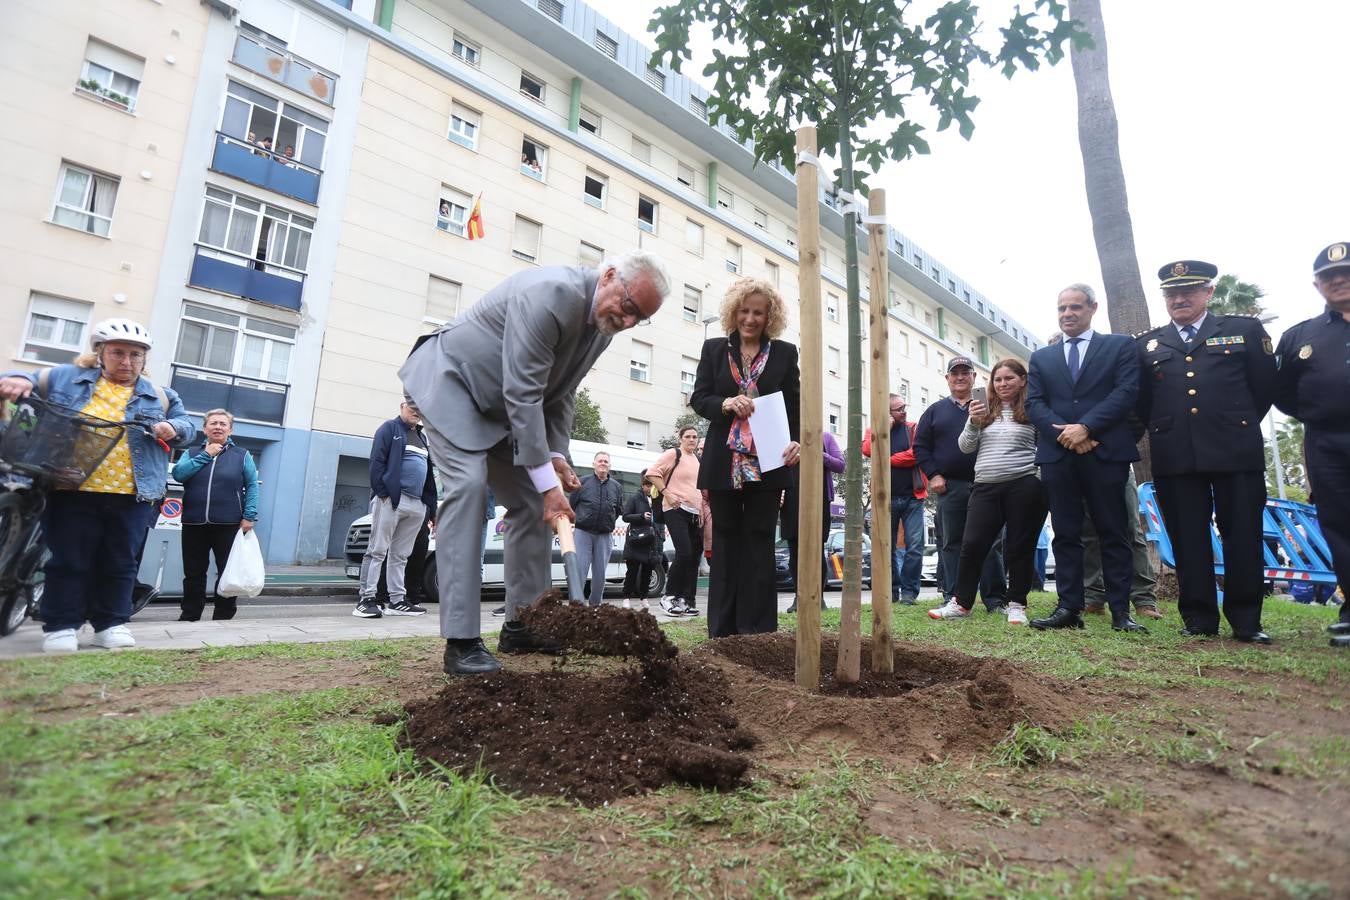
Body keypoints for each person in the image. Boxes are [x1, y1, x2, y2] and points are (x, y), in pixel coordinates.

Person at [400, 251, 670, 674]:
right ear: (611, 276)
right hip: (452, 383)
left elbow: (560, 394)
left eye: (642, 318)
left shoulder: (603, 325)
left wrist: (557, 459)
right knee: (469, 487)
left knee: (530, 502)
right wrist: (549, 485)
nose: (630, 322)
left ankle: (523, 622)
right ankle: (462, 641)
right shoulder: (550, 294)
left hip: (500, 408)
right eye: (631, 307)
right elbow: (524, 394)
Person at [0, 319, 193, 652]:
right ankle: (62, 625)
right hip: (71, 487)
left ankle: (111, 623)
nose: (126, 361)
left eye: (135, 354)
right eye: (118, 352)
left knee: (120, 562)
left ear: (144, 359)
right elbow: (26, 380)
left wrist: (172, 427)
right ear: (100, 352)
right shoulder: (64, 378)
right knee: (69, 559)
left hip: (133, 494)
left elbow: (189, 427)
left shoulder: (160, 395)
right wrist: (16, 378)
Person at [1136, 260, 1277, 643]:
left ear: (1208, 292)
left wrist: (1235, 422)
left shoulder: (1242, 330)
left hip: (1235, 449)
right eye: (1171, 293)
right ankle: (1199, 618)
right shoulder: (1147, 343)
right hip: (1176, 453)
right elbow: (1142, 402)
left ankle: (1247, 620)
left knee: (1244, 533)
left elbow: (1264, 388)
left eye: (1189, 291)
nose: (1179, 298)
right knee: (1187, 537)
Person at [1026, 283, 1144, 632]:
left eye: (1075, 307)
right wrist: (1068, 435)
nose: (1067, 314)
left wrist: (1088, 428)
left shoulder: (1119, 346)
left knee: (1113, 530)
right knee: (1065, 532)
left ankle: (1121, 611)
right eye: (1062, 308)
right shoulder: (1042, 357)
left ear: (1093, 308)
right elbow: (1034, 404)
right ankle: (1068, 608)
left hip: (1105, 452)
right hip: (1058, 455)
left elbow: (1126, 393)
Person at [689, 276, 801, 637]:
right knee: (725, 540)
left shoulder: (785, 353)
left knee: (760, 539)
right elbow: (699, 397)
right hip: (724, 463)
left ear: (770, 317)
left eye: (759, 312)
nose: (750, 319)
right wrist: (724, 403)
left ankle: (760, 630)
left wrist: (797, 442)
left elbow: (795, 406)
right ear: (733, 312)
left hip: (768, 461)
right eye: (744, 311)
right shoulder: (714, 349)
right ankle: (722, 630)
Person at [929, 360, 1047, 625]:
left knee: (1019, 546)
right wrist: (973, 422)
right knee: (972, 545)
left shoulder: (1033, 410)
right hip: (985, 486)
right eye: (998, 379)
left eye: (1009, 378)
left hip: (1023, 485)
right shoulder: (982, 410)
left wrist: (1037, 476)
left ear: (1022, 381)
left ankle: (1016, 604)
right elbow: (965, 447)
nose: (1003, 384)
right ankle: (961, 603)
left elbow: (1046, 444)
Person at [1275, 242, 1350, 648]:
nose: (1338, 280)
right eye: (1328, 276)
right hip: (1327, 440)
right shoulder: (1301, 336)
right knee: (1340, 526)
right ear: (1317, 284)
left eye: (1345, 273)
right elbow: (1283, 391)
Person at [914, 357, 1007, 612]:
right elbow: (920, 447)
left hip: (987, 483)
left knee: (990, 542)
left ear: (974, 377)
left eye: (965, 373)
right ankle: (954, 598)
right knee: (952, 542)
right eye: (954, 373)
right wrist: (933, 475)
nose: (960, 377)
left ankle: (995, 600)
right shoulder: (934, 410)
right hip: (950, 486)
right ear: (947, 379)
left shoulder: (991, 408)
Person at [172, 408, 259, 622]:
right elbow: (179, 475)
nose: (218, 427)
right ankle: (190, 614)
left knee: (227, 572)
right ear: (205, 428)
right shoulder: (192, 452)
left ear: (230, 430)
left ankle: (223, 615)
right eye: (213, 423)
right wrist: (206, 455)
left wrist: (249, 515)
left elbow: (252, 485)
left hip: (229, 523)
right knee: (193, 573)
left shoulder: (242, 455)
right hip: (194, 522)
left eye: (223, 424)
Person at [353, 400, 436, 619]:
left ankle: (398, 601)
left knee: (401, 555)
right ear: (402, 406)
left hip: (417, 503)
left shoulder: (421, 438)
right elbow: (376, 461)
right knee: (378, 549)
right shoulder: (389, 429)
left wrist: (430, 506)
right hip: (392, 500)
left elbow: (428, 473)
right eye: (412, 407)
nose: (416, 411)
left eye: (420, 408)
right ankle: (366, 599)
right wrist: (383, 493)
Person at [862, 393, 927, 605]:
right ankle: (892, 591)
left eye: (904, 407)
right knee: (886, 547)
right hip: (885, 498)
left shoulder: (913, 428)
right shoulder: (877, 430)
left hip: (913, 497)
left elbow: (916, 453)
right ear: (887, 413)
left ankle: (909, 593)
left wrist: (887, 460)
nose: (904, 411)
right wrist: (884, 430)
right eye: (898, 409)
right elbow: (866, 449)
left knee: (915, 546)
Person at [782, 429, 844, 613]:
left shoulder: (825, 437)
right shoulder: (786, 435)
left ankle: (819, 597)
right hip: (792, 498)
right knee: (794, 550)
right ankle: (798, 596)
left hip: (819, 499)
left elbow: (840, 465)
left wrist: (817, 452)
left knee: (817, 549)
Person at [649, 426, 703, 617]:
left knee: (693, 557)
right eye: (687, 436)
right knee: (684, 552)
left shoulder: (697, 460)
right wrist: (667, 493)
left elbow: (698, 489)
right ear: (680, 439)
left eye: (695, 437)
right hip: (675, 509)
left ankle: (684, 600)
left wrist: (702, 510)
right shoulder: (674, 454)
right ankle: (669, 596)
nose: (691, 439)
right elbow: (652, 473)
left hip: (695, 512)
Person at [570, 451, 623, 606]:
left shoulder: (617, 487)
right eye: (600, 461)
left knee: (600, 575)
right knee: (579, 571)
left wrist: (606, 522)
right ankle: (576, 606)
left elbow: (618, 510)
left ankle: (595, 606)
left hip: (604, 535)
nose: (603, 463)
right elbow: (571, 505)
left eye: (606, 461)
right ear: (593, 464)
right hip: (583, 533)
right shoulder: (582, 483)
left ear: (610, 466)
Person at [620, 469, 664, 611]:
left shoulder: (658, 499)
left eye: (652, 486)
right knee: (632, 571)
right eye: (648, 486)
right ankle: (626, 597)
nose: (650, 489)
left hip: (651, 541)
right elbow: (625, 516)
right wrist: (640, 516)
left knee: (647, 571)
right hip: (637, 539)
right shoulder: (635, 498)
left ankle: (643, 598)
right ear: (643, 485)